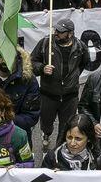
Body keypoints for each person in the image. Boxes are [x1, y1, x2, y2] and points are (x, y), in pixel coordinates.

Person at [31, 20, 86, 149]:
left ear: (70, 34)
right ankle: (46, 134)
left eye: (60, 32)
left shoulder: (80, 47)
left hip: (70, 96)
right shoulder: (45, 43)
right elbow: (32, 62)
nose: (56, 33)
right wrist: (42, 68)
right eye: (56, 30)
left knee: (66, 126)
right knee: (46, 122)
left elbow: (84, 63)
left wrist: (74, 76)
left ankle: (59, 150)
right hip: (48, 94)